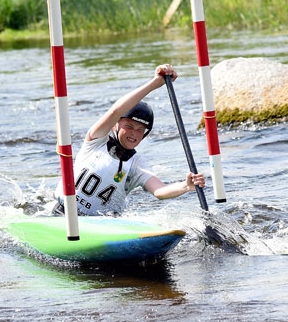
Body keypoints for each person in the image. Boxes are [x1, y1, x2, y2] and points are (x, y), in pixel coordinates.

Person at [53, 63, 206, 216]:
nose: (134, 134)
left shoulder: (136, 163)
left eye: (140, 130)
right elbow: (116, 110)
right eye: (129, 126)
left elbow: (159, 191)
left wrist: (186, 186)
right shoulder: (96, 140)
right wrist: (155, 83)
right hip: (63, 213)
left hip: (99, 224)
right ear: (115, 125)